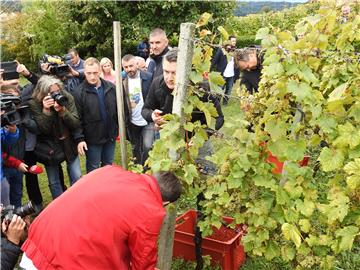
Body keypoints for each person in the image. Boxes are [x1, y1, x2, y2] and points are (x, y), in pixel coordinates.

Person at [20, 166, 182, 270]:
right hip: (62, 262)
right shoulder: (151, 210)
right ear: (165, 202)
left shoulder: (111, 170)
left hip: (38, 241)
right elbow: (143, 261)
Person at [142, 48, 224, 162]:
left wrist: (198, 138)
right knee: (170, 175)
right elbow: (145, 109)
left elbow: (219, 119)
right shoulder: (157, 83)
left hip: (199, 143)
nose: (169, 78)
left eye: (174, 73)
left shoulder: (202, 89)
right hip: (170, 140)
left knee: (205, 173)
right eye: (166, 71)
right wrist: (152, 116)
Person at [28, 75, 82, 199]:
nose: (56, 94)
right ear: (42, 92)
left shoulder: (66, 97)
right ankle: (60, 206)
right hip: (50, 146)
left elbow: (75, 123)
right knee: (54, 181)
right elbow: (44, 129)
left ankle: (78, 200)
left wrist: (63, 111)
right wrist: (46, 111)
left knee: (77, 176)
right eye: (51, 93)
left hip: (68, 143)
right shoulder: (34, 103)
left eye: (57, 91)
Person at [74, 57, 118, 173]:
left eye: (95, 73)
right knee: (93, 169)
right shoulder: (79, 93)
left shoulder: (111, 88)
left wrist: (119, 129)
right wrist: (80, 138)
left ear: (100, 71)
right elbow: (77, 118)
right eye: (89, 73)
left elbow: (119, 110)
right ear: (84, 72)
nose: (92, 76)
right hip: (93, 139)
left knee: (108, 166)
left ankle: (107, 189)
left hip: (110, 136)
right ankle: (95, 190)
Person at [122, 54, 152, 165]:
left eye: (131, 65)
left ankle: (146, 168)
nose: (129, 69)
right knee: (135, 147)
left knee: (147, 146)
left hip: (147, 120)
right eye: (126, 67)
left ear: (137, 64)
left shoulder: (148, 77)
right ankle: (138, 169)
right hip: (132, 121)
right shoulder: (122, 81)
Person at [210, 36, 239, 105]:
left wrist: (237, 75)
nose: (234, 42)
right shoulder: (222, 50)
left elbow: (237, 64)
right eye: (232, 41)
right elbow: (215, 60)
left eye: (235, 41)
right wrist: (209, 69)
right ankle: (217, 102)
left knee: (229, 90)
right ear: (228, 41)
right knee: (219, 90)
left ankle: (225, 103)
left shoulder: (235, 51)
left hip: (231, 75)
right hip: (222, 74)